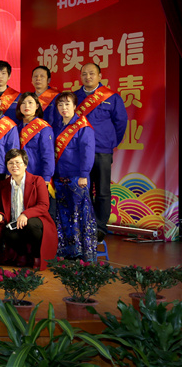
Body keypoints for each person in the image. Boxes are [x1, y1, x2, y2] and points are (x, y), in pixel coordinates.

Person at [75, 62, 127, 240]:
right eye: (84, 74)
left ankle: (100, 227)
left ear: (99, 76)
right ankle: (86, 224)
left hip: (102, 150)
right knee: (84, 189)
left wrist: (110, 142)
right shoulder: (75, 97)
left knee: (103, 190)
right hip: (80, 152)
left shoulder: (112, 97)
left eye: (91, 73)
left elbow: (120, 124)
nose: (88, 77)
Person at [0, 149, 58, 270]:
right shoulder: (4, 184)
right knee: (6, 231)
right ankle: (22, 255)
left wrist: (26, 214)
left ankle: (37, 256)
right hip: (14, 222)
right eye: (10, 163)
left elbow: (43, 205)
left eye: (18, 162)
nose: (14, 166)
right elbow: (0, 207)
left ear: (25, 165)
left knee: (31, 224)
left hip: (35, 221)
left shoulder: (37, 181)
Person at [52, 92, 97, 262]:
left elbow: (87, 152)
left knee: (80, 215)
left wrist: (84, 174)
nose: (64, 108)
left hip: (78, 178)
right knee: (64, 215)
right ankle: (67, 251)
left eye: (67, 104)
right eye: (60, 105)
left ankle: (83, 252)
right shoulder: (57, 126)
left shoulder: (83, 126)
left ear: (75, 106)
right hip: (60, 178)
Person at [15, 92, 56, 215]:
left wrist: (46, 178)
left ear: (37, 106)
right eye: (23, 103)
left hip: (38, 176)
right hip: (19, 176)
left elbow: (48, 155)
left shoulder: (44, 128)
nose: (26, 106)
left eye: (30, 103)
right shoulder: (16, 128)